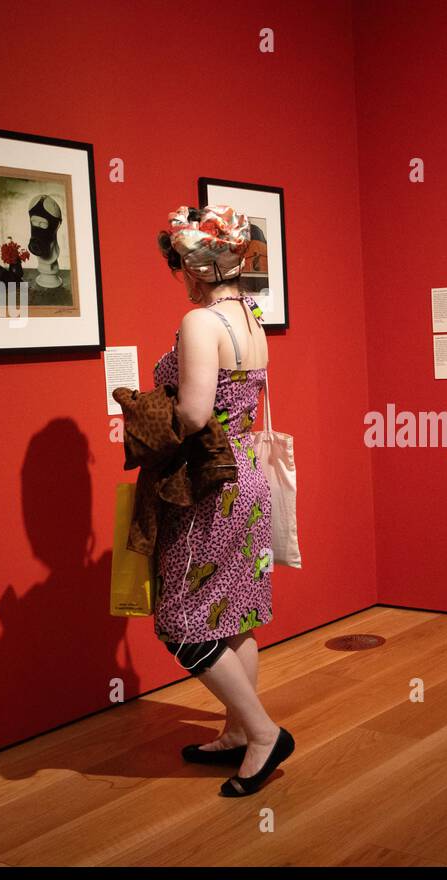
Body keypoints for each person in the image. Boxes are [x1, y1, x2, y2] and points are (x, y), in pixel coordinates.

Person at [152, 203, 294, 797]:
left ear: (199, 265)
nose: (180, 275)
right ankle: (237, 732)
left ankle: (262, 732)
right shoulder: (251, 316)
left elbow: (193, 411)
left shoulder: (200, 321)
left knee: (179, 622)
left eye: (182, 264)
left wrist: (147, 414)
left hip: (211, 481)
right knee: (231, 611)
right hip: (248, 477)